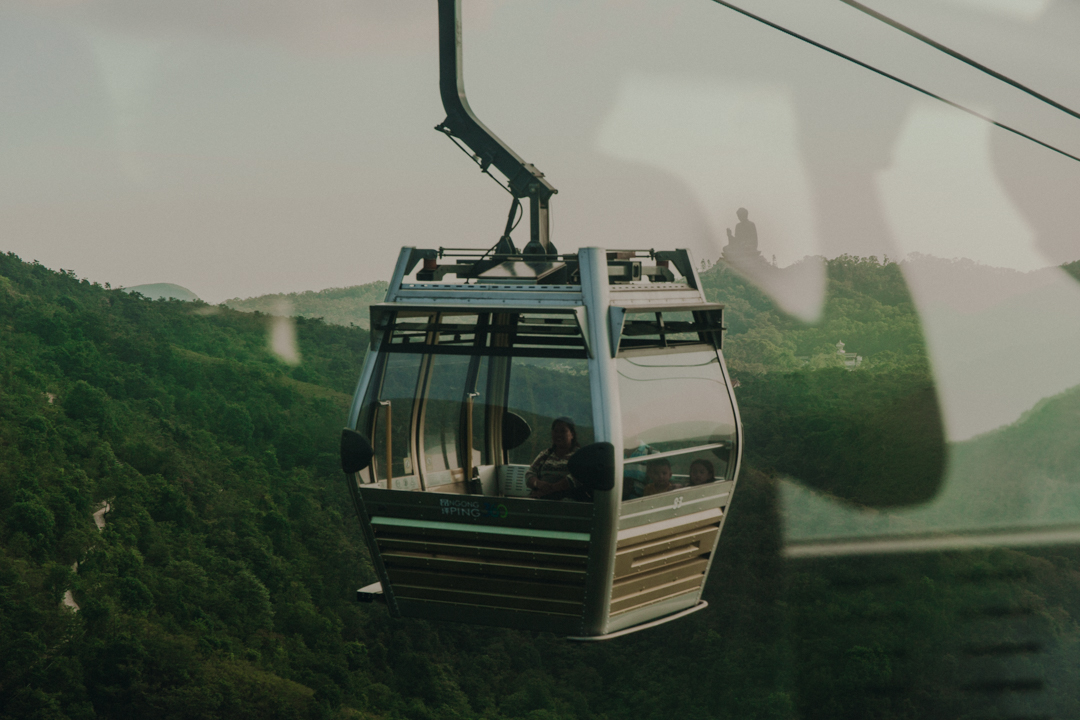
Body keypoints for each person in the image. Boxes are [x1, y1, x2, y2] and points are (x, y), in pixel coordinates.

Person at [525, 417, 585, 501]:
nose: (558, 434)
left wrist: (552, 489)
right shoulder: (545, 454)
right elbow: (530, 474)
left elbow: (578, 477)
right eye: (556, 431)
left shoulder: (580, 456)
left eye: (563, 431)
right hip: (539, 498)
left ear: (572, 434)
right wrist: (538, 484)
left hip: (567, 502)